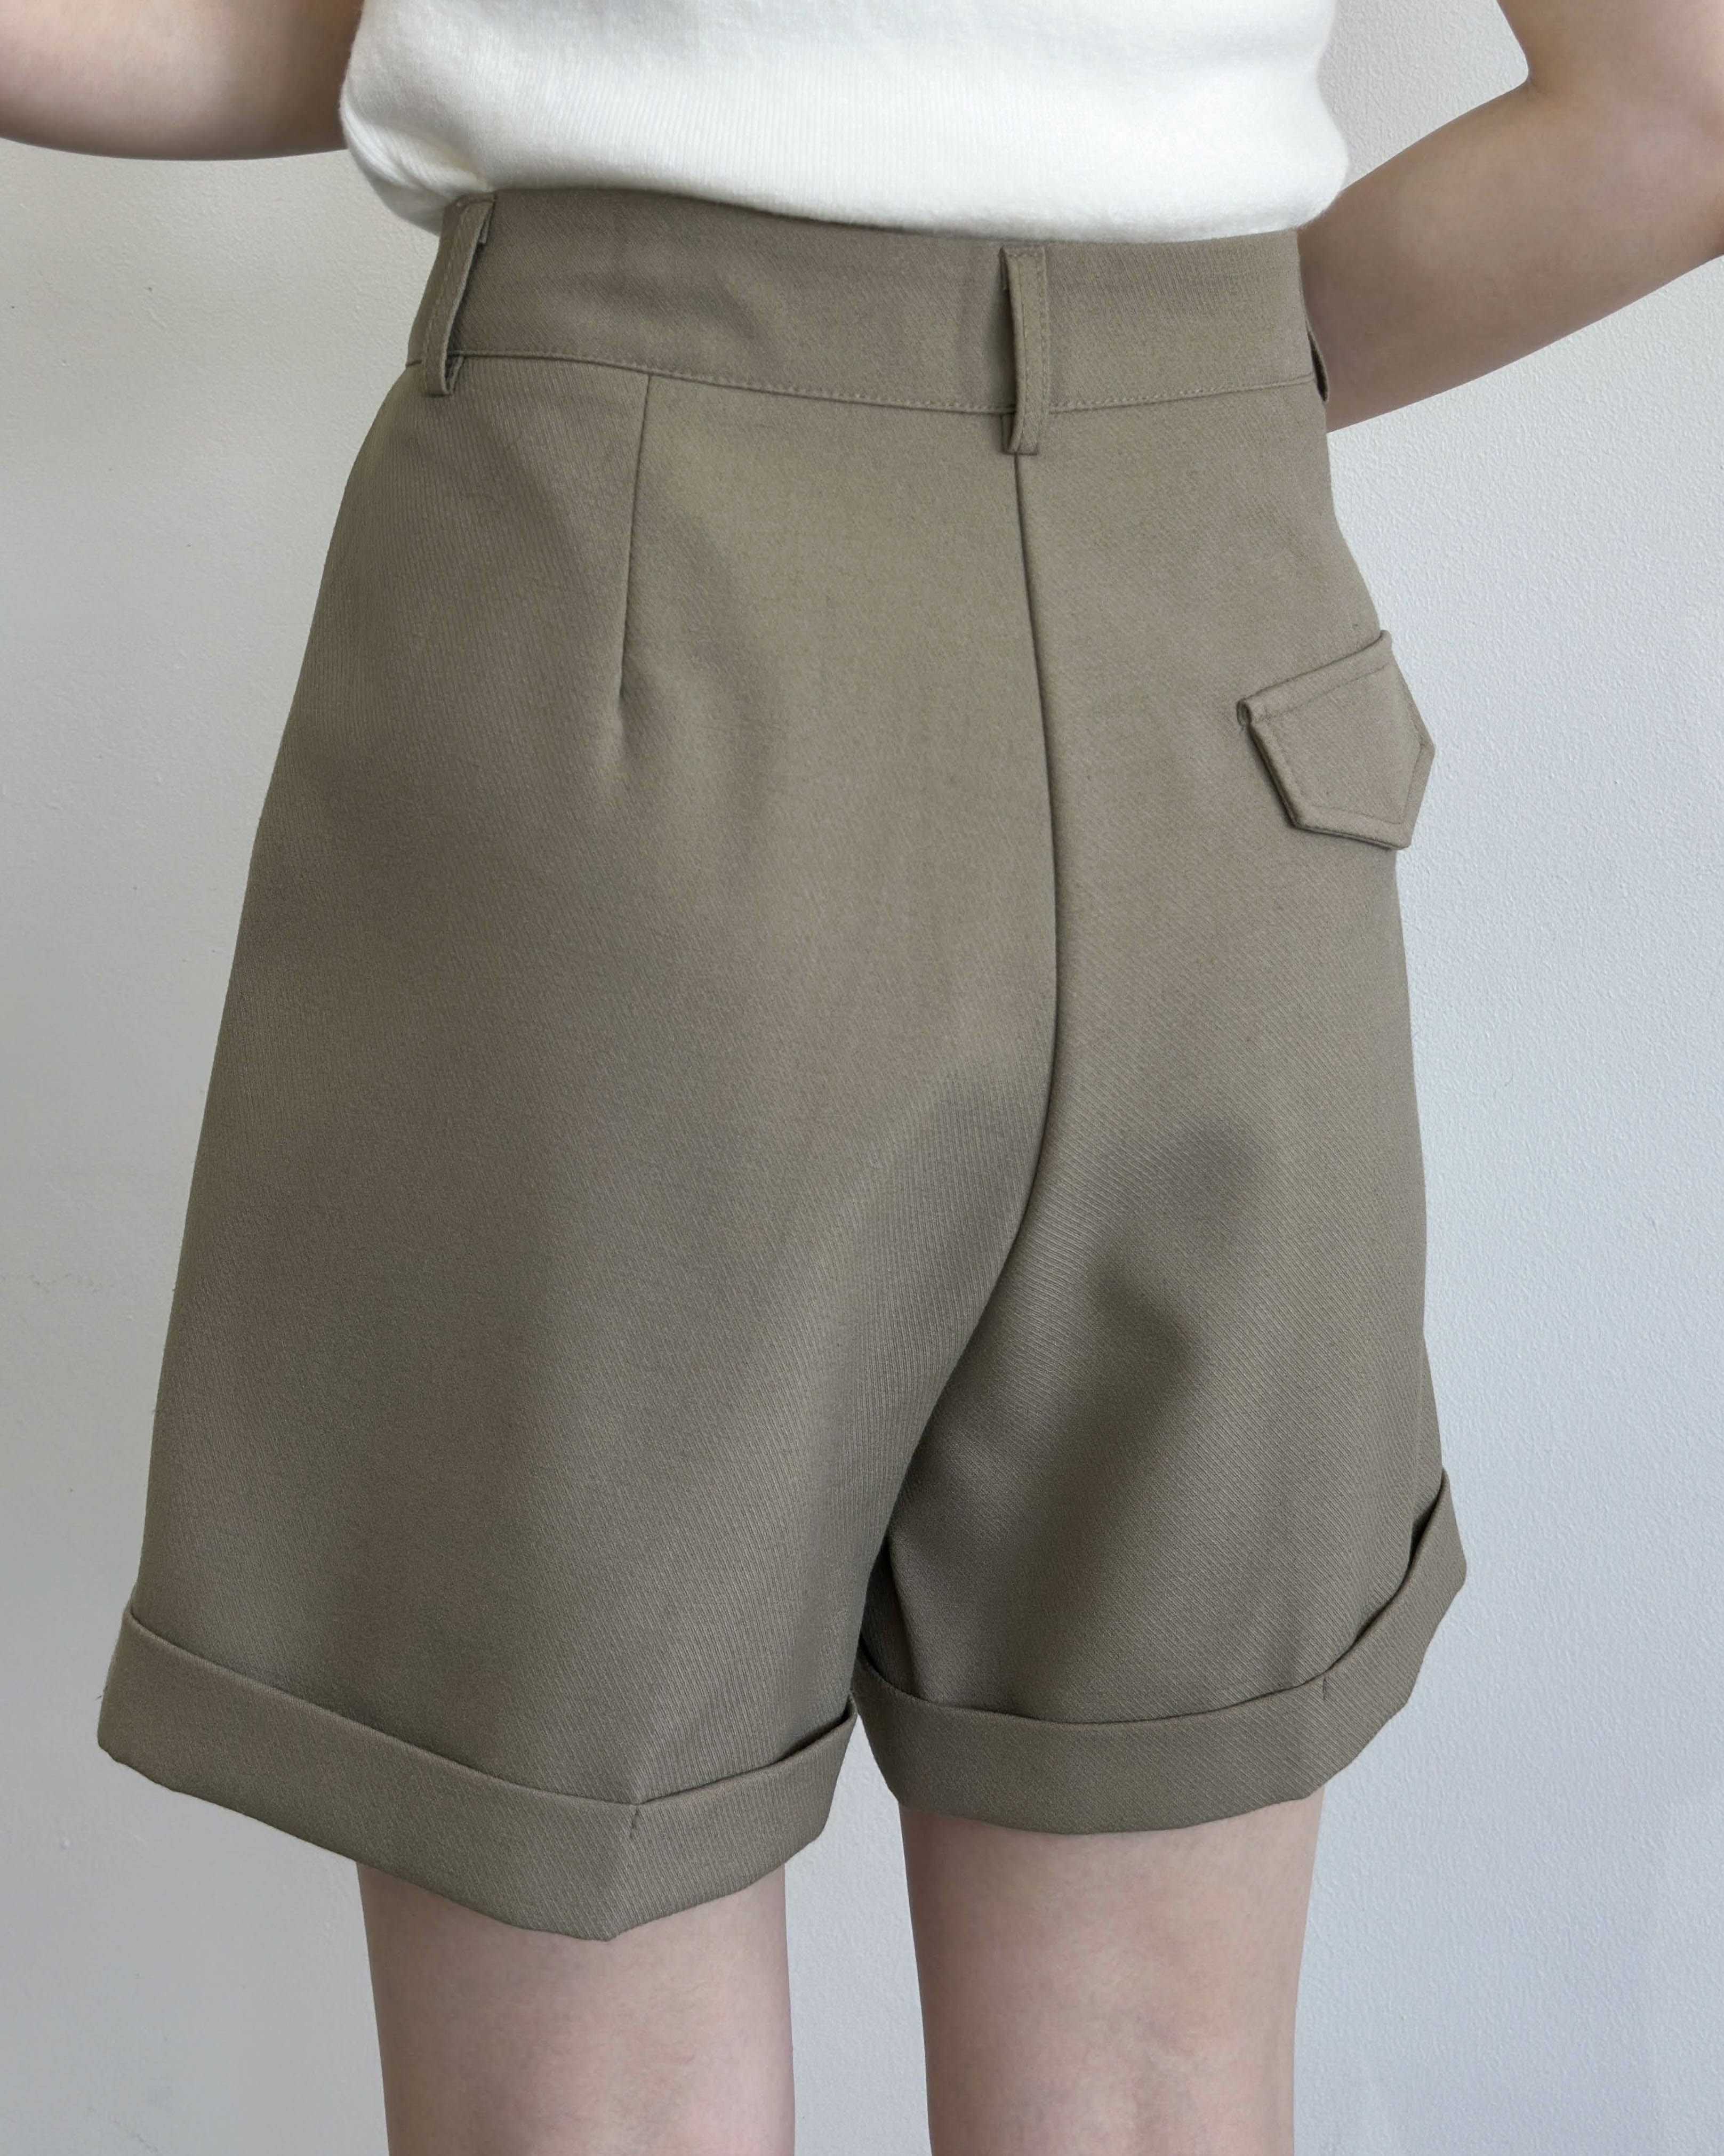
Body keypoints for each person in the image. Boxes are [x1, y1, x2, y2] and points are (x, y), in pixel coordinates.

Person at [9, 3, 1720, 2151]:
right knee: (1147, 2080)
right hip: (1212, 652)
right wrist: (1171, 393)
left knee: (594, 2097)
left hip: (632, 591)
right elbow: (1678, 108)